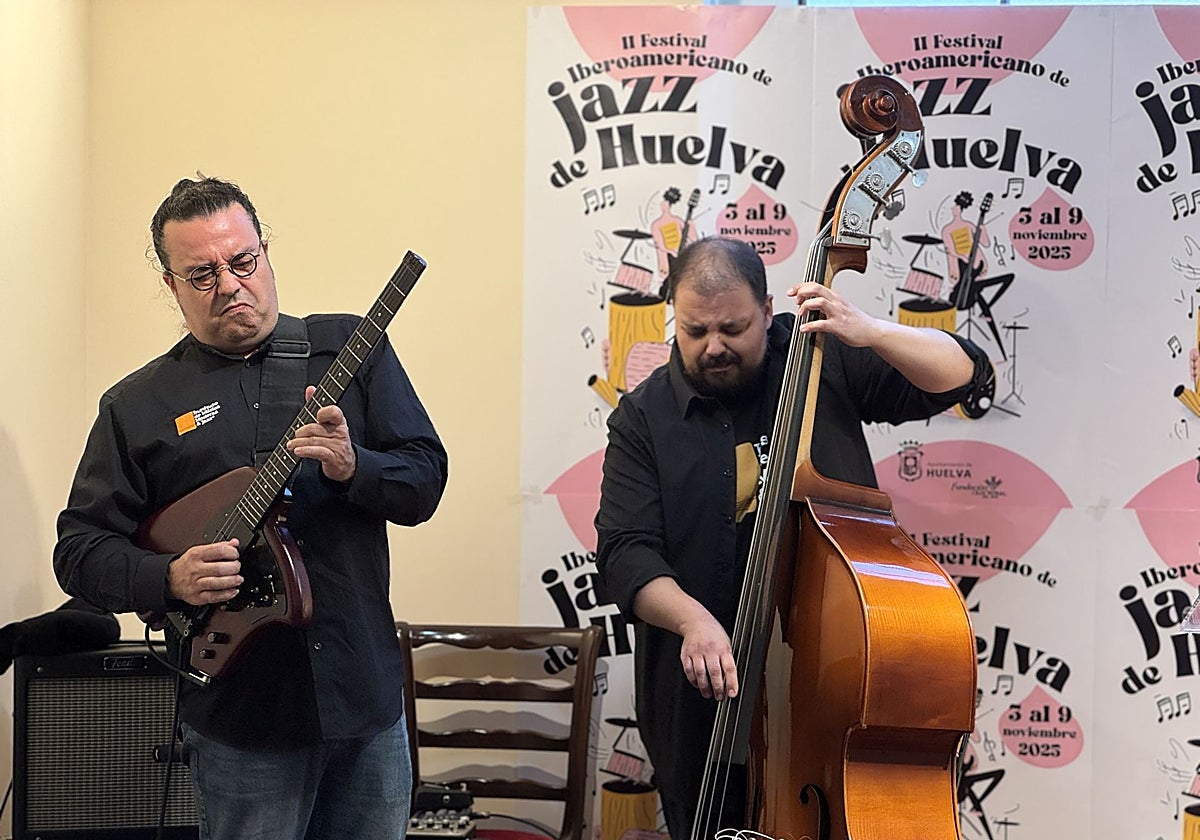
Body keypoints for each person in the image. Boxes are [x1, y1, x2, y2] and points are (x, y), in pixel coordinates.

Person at [53, 176, 448, 839]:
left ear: (265, 253)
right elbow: (79, 551)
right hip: (242, 724)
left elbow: (425, 482)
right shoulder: (137, 406)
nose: (231, 286)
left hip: (365, 705)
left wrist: (356, 466)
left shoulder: (349, 349)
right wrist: (168, 577)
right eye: (202, 275)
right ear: (171, 285)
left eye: (243, 262)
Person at [594, 236, 990, 840]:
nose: (713, 346)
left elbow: (964, 373)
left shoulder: (819, 353)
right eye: (694, 330)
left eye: (733, 327)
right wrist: (692, 621)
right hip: (697, 701)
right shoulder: (642, 417)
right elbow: (626, 550)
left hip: (826, 692)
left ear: (768, 307)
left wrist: (870, 330)